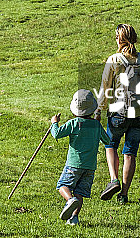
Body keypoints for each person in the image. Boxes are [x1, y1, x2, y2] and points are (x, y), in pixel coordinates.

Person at [94, 23, 140, 204]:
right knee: (130, 153)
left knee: (110, 144)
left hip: (119, 113)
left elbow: (105, 87)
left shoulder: (114, 59)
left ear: (121, 39)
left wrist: (99, 109)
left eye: (116, 37)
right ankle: (124, 194)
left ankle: (114, 180)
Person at [51, 89, 111, 226]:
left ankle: (69, 200)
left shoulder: (73, 123)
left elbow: (56, 134)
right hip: (90, 167)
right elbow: (107, 141)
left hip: (74, 164)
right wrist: (97, 123)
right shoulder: (96, 125)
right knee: (80, 192)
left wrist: (54, 122)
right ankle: (74, 218)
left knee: (62, 185)